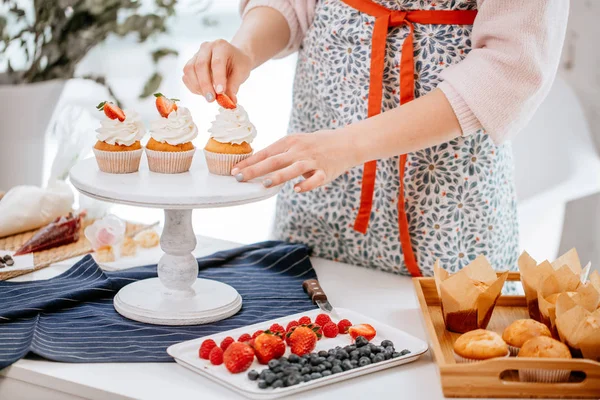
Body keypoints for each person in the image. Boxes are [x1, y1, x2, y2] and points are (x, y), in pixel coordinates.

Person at [182, 0, 569, 277]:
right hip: (318, 176)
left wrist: (347, 146)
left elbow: (510, 70)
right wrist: (244, 49)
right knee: (301, 336)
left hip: (447, 204)